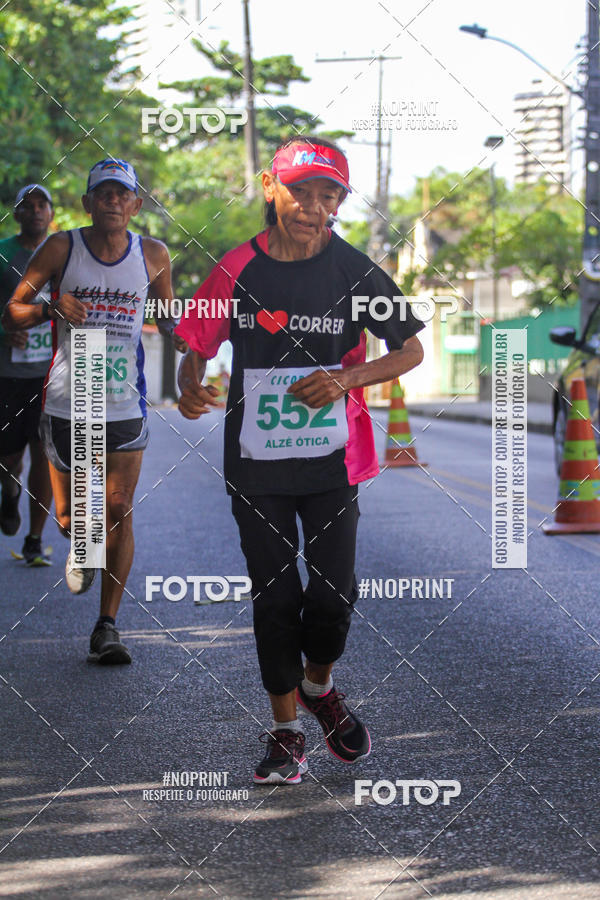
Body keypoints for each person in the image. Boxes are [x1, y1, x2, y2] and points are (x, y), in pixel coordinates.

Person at [177, 137, 425, 784]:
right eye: (301, 192)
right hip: (255, 463)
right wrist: (189, 382)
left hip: (331, 461)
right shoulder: (236, 268)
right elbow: (195, 343)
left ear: (340, 202)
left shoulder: (354, 270)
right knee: (275, 593)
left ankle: (321, 687)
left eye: (329, 196)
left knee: (335, 593)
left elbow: (410, 350)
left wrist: (347, 379)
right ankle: (287, 731)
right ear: (270, 188)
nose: (314, 208)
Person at [2, 159, 186, 664]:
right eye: (101, 194)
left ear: (134, 204)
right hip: (69, 398)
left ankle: (107, 625)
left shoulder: (154, 254)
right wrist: (48, 308)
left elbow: (169, 318)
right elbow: (13, 309)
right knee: (70, 519)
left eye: (120, 194)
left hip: (126, 401)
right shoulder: (63, 247)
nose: (111, 201)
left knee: (119, 506)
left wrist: (191, 340)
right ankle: (79, 544)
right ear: (87, 204)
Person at [0, 184, 55, 565]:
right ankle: (9, 490)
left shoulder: (66, 253)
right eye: (28, 205)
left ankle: (35, 539)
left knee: (44, 456)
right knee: (9, 457)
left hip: (52, 374)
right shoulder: (3, 253)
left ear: (51, 213)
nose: (35, 211)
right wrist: (5, 330)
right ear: (17, 213)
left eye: (42, 204)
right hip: (8, 373)